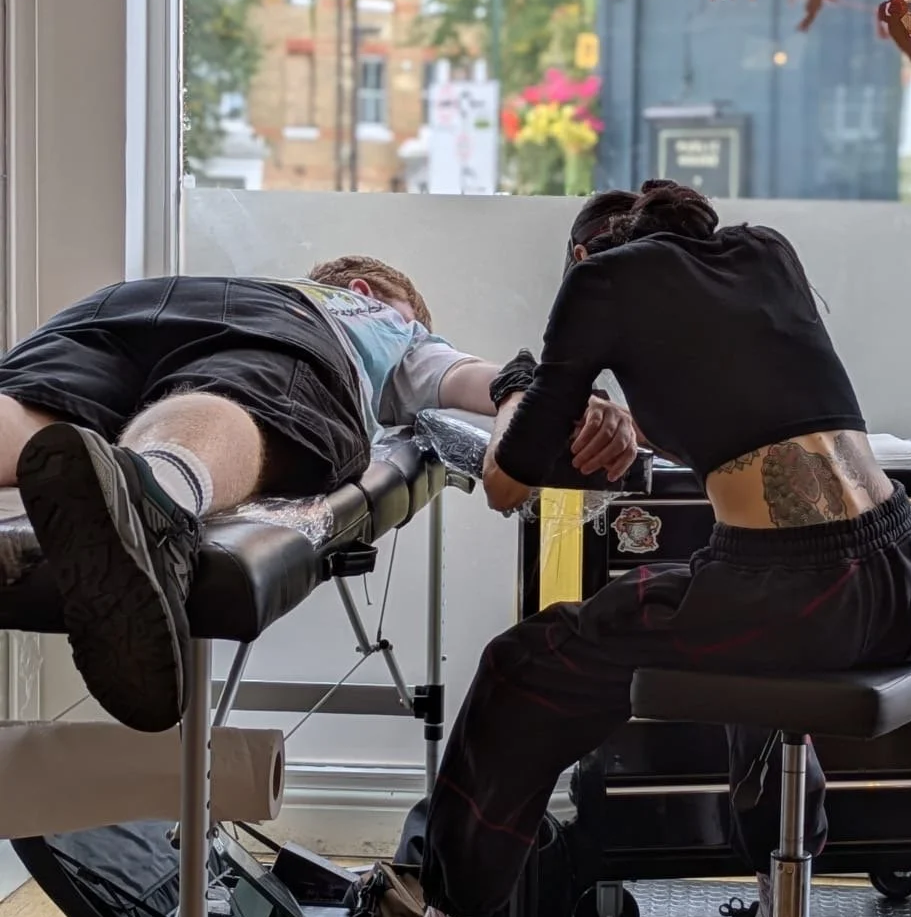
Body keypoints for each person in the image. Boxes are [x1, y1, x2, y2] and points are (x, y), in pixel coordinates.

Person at [343, 181, 911, 917]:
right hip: (906, 570)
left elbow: (511, 483)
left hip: (799, 593)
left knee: (521, 670)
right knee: (748, 666)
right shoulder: (765, 252)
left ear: (587, 256)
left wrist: (569, 401)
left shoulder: (601, 281)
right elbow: (735, 399)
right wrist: (627, 418)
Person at [0, 257, 636, 736]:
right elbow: (495, 385)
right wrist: (554, 408)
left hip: (106, 312)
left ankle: (118, 475)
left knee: (33, 413)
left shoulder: (220, 282)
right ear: (369, 293)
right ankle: (157, 497)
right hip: (272, 330)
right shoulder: (389, 326)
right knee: (242, 394)